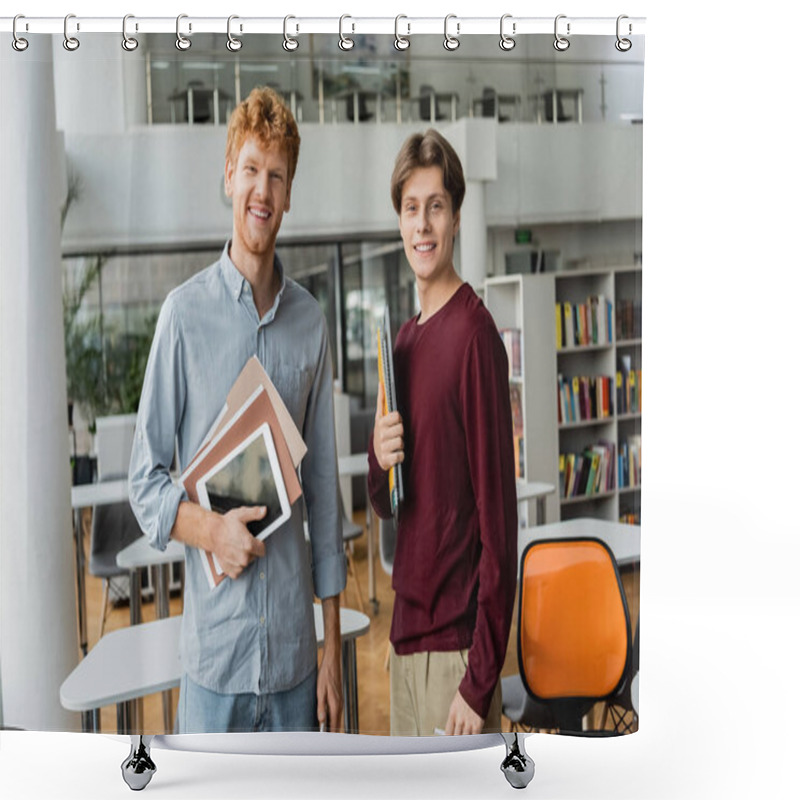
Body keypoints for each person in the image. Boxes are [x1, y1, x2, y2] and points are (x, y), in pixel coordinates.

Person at [129, 86, 346, 734]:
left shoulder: (310, 322)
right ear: (228, 176)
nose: (263, 189)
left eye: (277, 176)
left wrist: (332, 647)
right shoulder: (182, 317)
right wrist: (211, 531)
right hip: (213, 667)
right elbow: (144, 482)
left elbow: (326, 495)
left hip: (294, 663)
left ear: (288, 195)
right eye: (251, 168)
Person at [368, 129, 518, 736]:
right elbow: (388, 502)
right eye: (411, 208)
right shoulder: (401, 341)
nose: (423, 225)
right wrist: (379, 459)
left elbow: (499, 528)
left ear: (455, 217)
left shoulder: (475, 337)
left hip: (456, 661)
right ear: (399, 222)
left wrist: (478, 682)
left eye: (435, 206)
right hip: (404, 645)